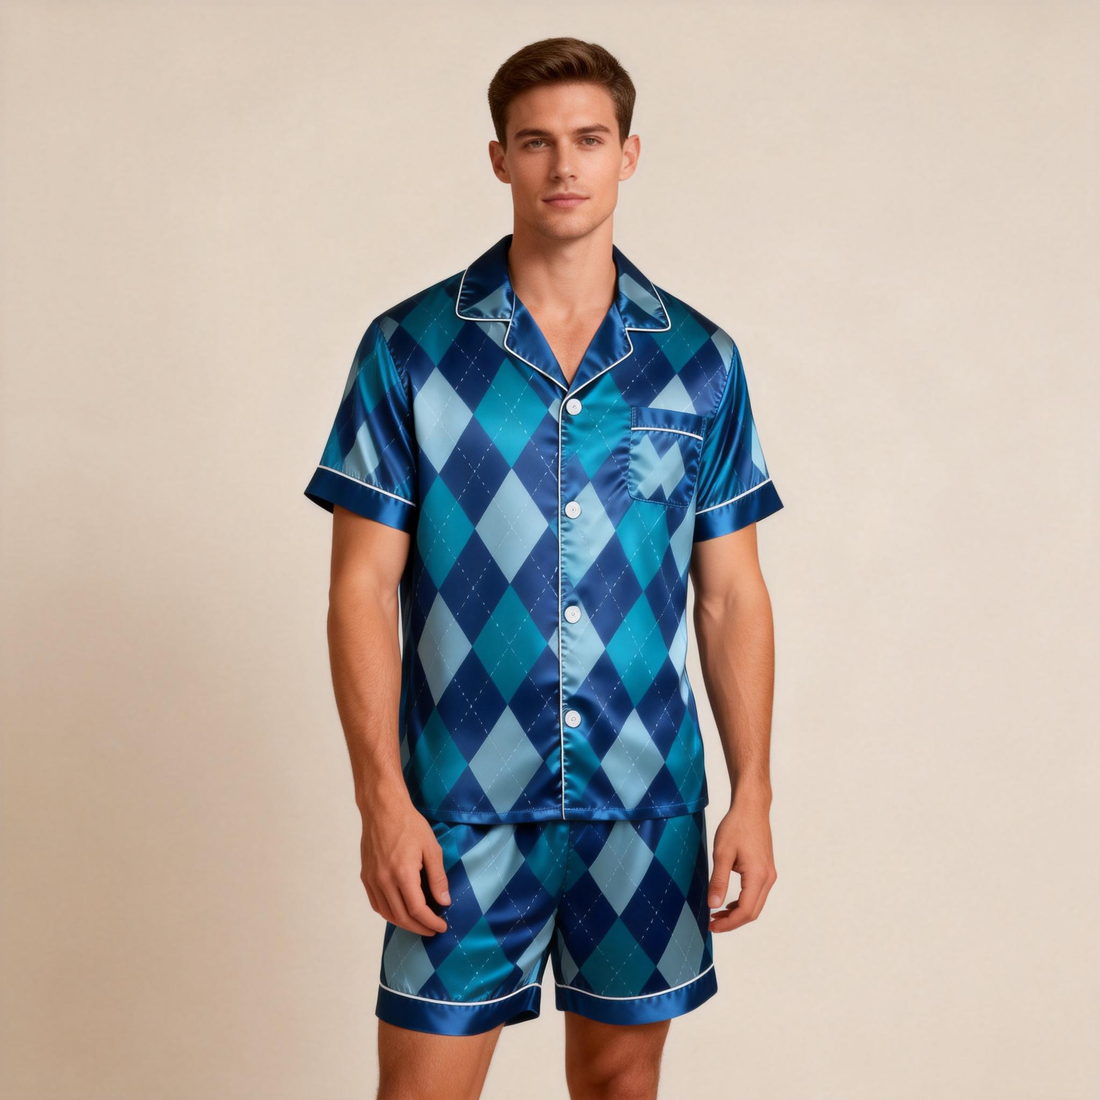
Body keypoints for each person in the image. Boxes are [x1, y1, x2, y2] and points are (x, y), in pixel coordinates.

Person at [304, 35, 784, 1100]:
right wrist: (381, 799)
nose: (563, 165)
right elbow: (359, 588)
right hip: (459, 803)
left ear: (628, 154)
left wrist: (751, 792)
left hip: (643, 803)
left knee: (620, 1088)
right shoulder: (409, 350)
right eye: (535, 142)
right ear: (499, 159)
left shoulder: (699, 361)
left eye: (588, 139)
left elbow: (729, 594)